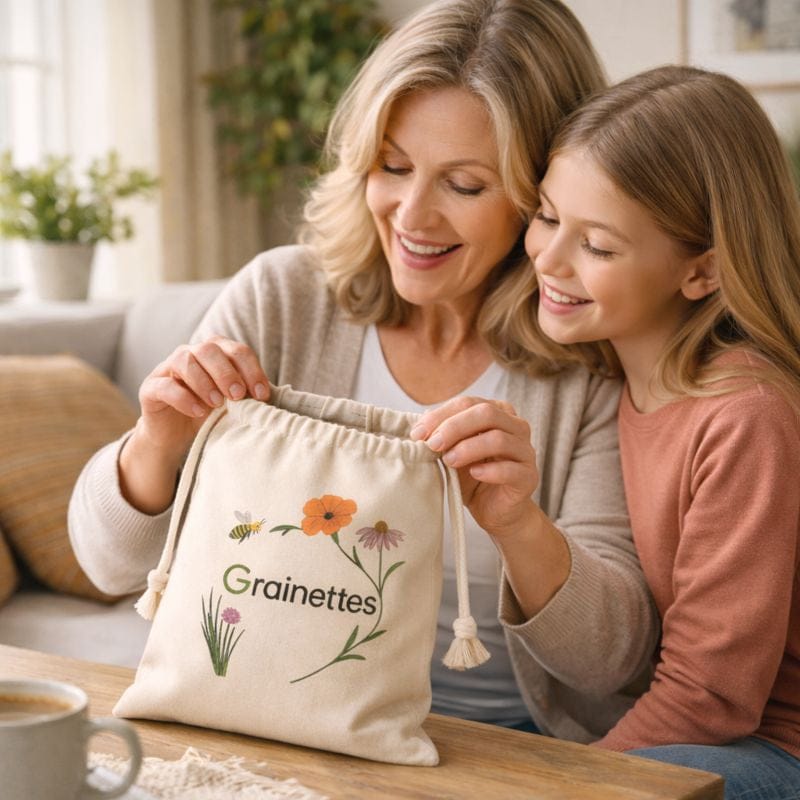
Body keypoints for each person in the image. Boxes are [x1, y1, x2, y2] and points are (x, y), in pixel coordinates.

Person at [69, 0, 658, 741]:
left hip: (505, 746)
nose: (412, 214)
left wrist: (521, 526)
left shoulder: (591, 356)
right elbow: (105, 566)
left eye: (464, 185)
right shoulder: (284, 298)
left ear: (543, 195)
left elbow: (615, 657)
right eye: (393, 165)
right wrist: (154, 446)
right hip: (266, 723)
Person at [518, 64, 800, 797]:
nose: (548, 260)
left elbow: (710, 699)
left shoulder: (746, 415)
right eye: (548, 217)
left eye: (598, 247)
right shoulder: (607, 377)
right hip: (698, 735)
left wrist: (561, 784)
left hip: (773, 750)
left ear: (701, 272)